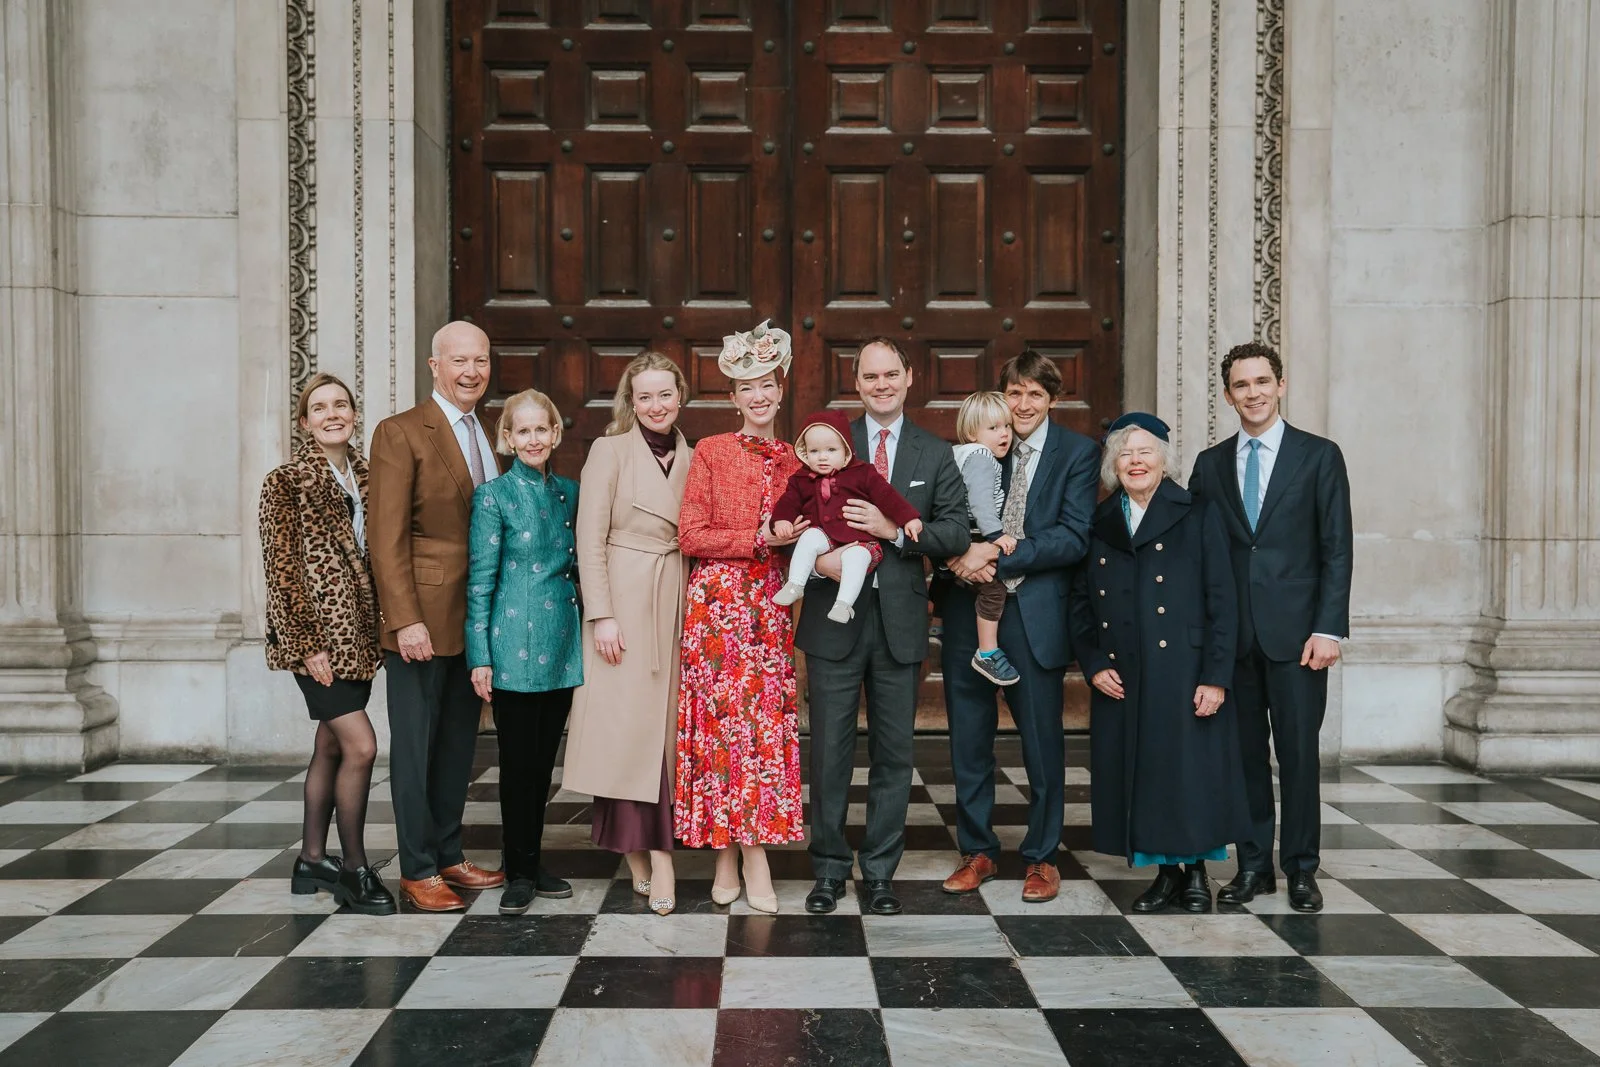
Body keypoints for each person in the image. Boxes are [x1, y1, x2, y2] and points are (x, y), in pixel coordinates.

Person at [796, 337, 971, 917]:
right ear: (857, 383)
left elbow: (954, 534)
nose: (881, 385)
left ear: (909, 377)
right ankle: (826, 870)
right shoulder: (828, 443)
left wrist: (891, 530)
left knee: (895, 754)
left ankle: (878, 873)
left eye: (890, 374)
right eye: (870, 377)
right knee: (828, 753)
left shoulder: (933, 452)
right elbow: (791, 510)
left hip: (898, 623)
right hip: (832, 619)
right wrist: (810, 551)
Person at [1188, 342, 1353, 913]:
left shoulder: (1319, 456)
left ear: (1280, 385)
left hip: (1298, 638)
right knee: (1244, 758)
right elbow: (1198, 554)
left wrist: (1329, 628)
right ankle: (1253, 865)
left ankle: (1302, 869)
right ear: (1228, 394)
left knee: (1299, 756)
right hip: (1233, 640)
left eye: (1262, 381)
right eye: (1241, 385)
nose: (1253, 393)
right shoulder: (1210, 465)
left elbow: (1337, 549)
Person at [1067, 413, 1251, 913]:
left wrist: (1216, 677)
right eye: (1124, 453)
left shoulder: (1197, 512)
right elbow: (1080, 602)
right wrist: (1093, 662)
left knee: (1187, 772)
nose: (1134, 461)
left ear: (1164, 459)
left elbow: (1223, 600)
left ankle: (1196, 874)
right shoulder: (1100, 521)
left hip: (1185, 669)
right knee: (1142, 773)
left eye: (1145, 451)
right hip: (1124, 671)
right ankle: (1165, 875)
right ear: (1113, 465)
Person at [938, 350, 1099, 904]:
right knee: (968, 739)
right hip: (969, 614)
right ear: (1001, 395)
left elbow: (1074, 536)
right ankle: (977, 850)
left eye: (1035, 394)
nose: (1023, 404)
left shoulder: (1077, 452)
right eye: (1015, 392)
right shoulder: (979, 446)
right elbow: (947, 514)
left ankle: (1042, 857)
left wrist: (993, 560)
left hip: (1035, 620)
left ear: (1051, 398)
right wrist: (957, 556)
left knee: (1041, 744)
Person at [369, 321, 507, 912]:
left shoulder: (486, 434)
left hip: (472, 621)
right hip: (420, 623)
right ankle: (417, 867)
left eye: (480, 360)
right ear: (434, 365)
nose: (471, 371)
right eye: (459, 361)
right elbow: (385, 536)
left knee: (456, 745)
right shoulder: (401, 433)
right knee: (416, 747)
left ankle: (449, 853)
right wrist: (404, 619)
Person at [676, 322, 810, 913]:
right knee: (721, 730)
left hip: (769, 609)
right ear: (733, 397)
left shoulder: (799, 462)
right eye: (745, 387)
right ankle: (735, 853)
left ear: (780, 390)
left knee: (758, 731)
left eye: (766, 384)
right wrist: (758, 538)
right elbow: (691, 534)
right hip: (716, 608)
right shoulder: (711, 451)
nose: (757, 396)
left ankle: (741, 852)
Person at [259, 373, 396, 915]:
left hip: (359, 638)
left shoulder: (369, 478)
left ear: (354, 414)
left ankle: (312, 859)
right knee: (361, 746)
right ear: (305, 421)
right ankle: (356, 870)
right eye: (320, 408)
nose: (332, 414)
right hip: (316, 639)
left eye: (341, 404)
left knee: (331, 744)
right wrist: (308, 643)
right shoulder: (285, 482)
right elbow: (282, 571)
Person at [563, 352, 693, 916]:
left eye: (665, 394)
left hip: (676, 598)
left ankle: (646, 851)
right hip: (623, 599)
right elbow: (588, 539)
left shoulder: (698, 456)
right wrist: (603, 615)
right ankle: (653, 855)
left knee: (663, 738)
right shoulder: (608, 450)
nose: (656, 406)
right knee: (625, 736)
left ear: (680, 396)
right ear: (630, 401)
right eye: (644, 397)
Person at [466, 389, 582, 915]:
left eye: (543, 429)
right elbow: (480, 581)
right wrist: (479, 655)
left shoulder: (571, 493)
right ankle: (516, 869)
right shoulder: (493, 496)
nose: (534, 439)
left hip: (561, 645)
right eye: (523, 431)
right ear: (507, 438)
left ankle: (534, 862)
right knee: (517, 765)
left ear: (555, 434)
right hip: (511, 648)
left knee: (543, 764)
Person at [771, 409, 924, 623]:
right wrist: (782, 521)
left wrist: (908, 518)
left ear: (846, 451)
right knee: (809, 537)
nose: (822, 457)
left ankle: (843, 604)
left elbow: (887, 497)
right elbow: (788, 502)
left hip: (860, 541)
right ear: (805, 453)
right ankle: (796, 584)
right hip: (825, 538)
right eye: (814, 451)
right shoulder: (801, 479)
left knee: (856, 558)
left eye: (831, 450)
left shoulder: (863, 473)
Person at [950, 390, 1021, 687]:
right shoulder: (981, 457)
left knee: (969, 583)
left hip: (962, 530)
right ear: (971, 432)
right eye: (993, 428)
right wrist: (996, 534)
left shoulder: (962, 453)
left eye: (1006, 426)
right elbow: (980, 502)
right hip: (977, 531)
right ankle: (987, 652)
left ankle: (940, 625)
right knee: (994, 590)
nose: (1004, 434)